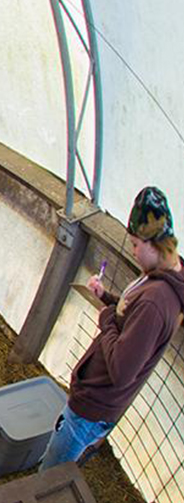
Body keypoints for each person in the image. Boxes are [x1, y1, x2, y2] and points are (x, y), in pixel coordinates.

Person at [40, 186, 184, 470]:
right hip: (95, 402)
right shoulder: (163, 278)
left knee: (50, 475)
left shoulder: (157, 301)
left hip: (92, 406)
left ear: (153, 244)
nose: (133, 252)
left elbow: (121, 370)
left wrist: (106, 319)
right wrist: (107, 298)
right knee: (59, 459)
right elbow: (133, 319)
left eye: (135, 244)